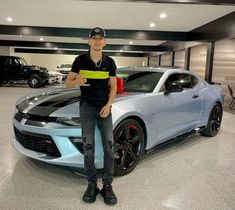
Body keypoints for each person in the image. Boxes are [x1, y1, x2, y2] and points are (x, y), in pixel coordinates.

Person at [65, 27, 117, 205]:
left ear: (104, 42)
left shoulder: (110, 62)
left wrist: (109, 105)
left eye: (100, 38)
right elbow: (67, 83)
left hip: (104, 107)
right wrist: (76, 81)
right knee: (88, 146)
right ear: (89, 41)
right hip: (86, 107)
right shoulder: (80, 60)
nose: (97, 41)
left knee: (109, 146)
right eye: (94, 38)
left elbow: (114, 87)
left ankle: (108, 185)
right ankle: (92, 183)